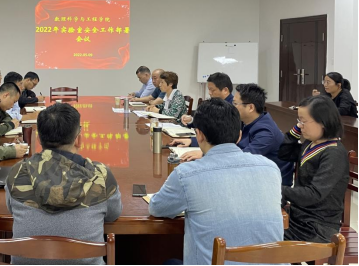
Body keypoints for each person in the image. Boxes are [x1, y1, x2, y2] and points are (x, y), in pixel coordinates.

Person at [149, 99, 284, 265]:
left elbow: (157, 208)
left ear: (199, 135)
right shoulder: (270, 168)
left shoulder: (186, 174)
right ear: (239, 135)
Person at [6, 103, 122, 265]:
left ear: (38, 139)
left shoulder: (18, 172)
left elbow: (11, 209)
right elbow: (113, 214)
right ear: (78, 139)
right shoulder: (101, 176)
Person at [279, 95, 349, 243]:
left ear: (323, 122)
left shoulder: (334, 153)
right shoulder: (310, 143)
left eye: (303, 121)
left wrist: (278, 190)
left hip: (317, 227)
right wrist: (296, 130)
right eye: (298, 120)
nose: (300, 125)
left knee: (264, 235)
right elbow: (284, 153)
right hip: (298, 217)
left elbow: (314, 194)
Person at [172, 72, 235, 154]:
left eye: (212, 90)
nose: (209, 93)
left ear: (225, 90)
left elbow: (219, 135)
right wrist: (191, 120)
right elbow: (206, 122)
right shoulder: (216, 103)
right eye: (209, 89)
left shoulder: (231, 108)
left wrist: (193, 142)